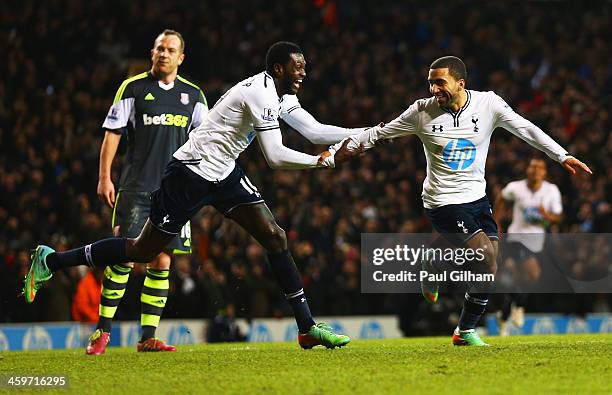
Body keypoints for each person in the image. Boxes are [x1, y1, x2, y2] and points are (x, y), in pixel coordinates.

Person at [24, 41, 362, 350]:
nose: (303, 71)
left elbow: (314, 130)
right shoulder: (258, 93)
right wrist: (325, 160)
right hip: (191, 172)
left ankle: (306, 328)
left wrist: (366, 134)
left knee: (275, 237)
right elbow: (274, 156)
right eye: (297, 66)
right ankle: (51, 260)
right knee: (143, 249)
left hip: (224, 171)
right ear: (278, 69)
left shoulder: (282, 95)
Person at [330, 56, 591, 346]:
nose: (433, 89)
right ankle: (465, 332)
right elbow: (381, 132)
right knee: (487, 259)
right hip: (442, 201)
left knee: (490, 267)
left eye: (439, 82)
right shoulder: (421, 111)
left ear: (460, 83)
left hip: (477, 199)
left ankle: (434, 266)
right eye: (430, 83)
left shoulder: (488, 105)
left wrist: (561, 155)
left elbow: (525, 128)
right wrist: (340, 151)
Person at [86, 29, 208, 354]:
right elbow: (112, 135)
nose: (163, 54)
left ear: (181, 57)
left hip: (174, 192)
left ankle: (147, 337)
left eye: (170, 49)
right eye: (158, 48)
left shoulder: (194, 96)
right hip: (135, 188)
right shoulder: (133, 88)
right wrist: (104, 177)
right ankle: (102, 332)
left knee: (162, 261)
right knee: (123, 257)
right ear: (152, 53)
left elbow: (205, 144)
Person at [493, 158, 562, 336]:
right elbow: (501, 197)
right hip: (516, 238)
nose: (535, 171)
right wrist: (497, 222)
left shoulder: (551, 190)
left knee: (522, 279)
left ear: (544, 173)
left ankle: (504, 314)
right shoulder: (516, 187)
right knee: (532, 272)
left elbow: (557, 217)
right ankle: (520, 306)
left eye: (539, 168)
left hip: (538, 241)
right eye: (532, 167)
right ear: (527, 170)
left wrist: (547, 216)